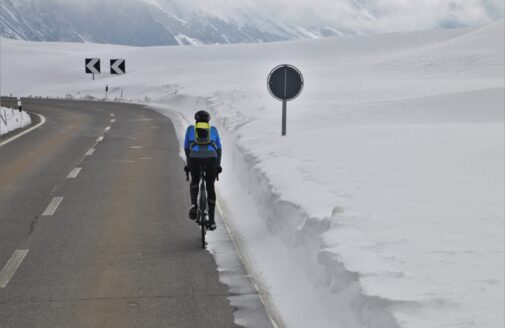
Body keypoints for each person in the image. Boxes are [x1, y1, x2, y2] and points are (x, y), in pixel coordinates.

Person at [184, 110, 222, 230]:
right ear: (208, 121)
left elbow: (186, 148)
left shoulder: (190, 129)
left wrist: (189, 164)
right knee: (210, 186)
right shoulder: (213, 130)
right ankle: (211, 221)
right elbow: (219, 150)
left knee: (195, 181)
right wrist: (217, 165)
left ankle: (194, 205)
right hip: (211, 158)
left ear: (196, 120)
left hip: (195, 158)